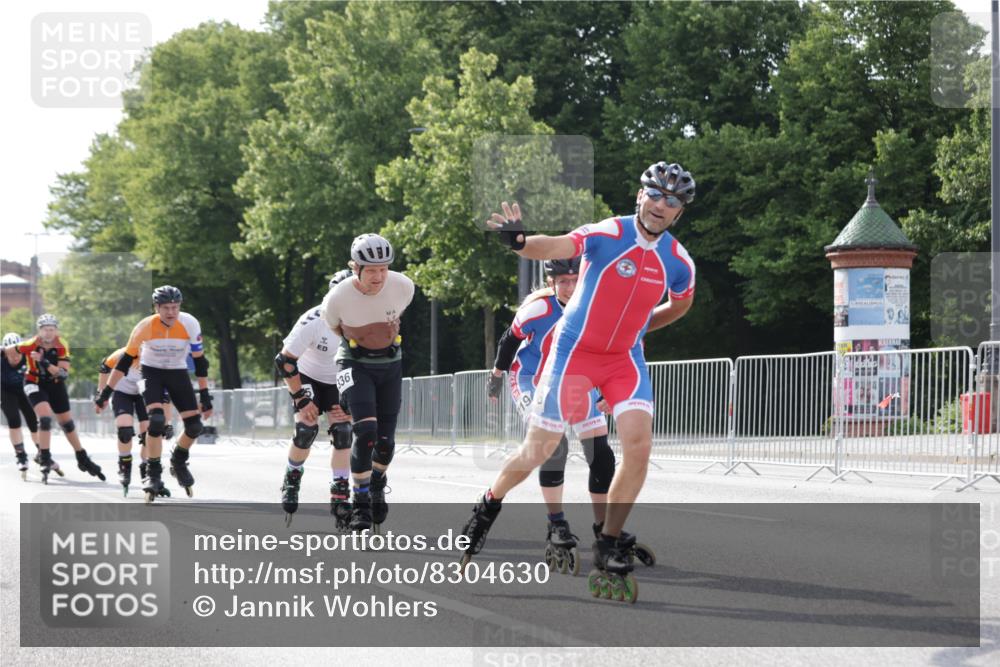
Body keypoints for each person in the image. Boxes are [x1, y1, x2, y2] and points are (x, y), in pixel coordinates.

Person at [462, 161, 696, 601]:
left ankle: (607, 542)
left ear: (679, 212)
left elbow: (682, 303)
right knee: (540, 449)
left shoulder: (678, 261)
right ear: (640, 196)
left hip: (624, 359)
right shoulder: (609, 233)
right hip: (575, 354)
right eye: (656, 195)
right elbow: (562, 243)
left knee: (638, 446)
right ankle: (488, 504)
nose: (661, 206)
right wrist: (521, 243)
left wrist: (643, 328)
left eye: (673, 201)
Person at [487, 257, 614, 574]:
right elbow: (509, 340)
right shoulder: (538, 310)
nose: (570, 288)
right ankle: (556, 524)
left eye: (575, 280)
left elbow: (610, 353)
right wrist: (497, 377)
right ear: (552, 283)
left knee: (601, 454)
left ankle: (604, 530)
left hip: (574, 380)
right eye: (563, 282)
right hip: (531, 378)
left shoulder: (595, 308)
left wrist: (607, 390)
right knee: (554, 448)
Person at [323, 234, 414, 532]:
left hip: (390, 363)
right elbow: (336, 327)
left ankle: (377, 482)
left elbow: (395, 315)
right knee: (365, 430)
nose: (379, 277)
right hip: (354, 362)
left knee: (386, 444)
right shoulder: (337, 298)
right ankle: (359, 499)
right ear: (355, 268)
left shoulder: (403, 286)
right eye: (371, 270)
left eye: (384, 269)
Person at [95, 286, 213, 502]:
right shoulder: (145, 326)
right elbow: (123, 363)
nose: (171, 312)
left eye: (175, 307)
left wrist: (205, 395)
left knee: (195, 426)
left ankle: (178, 459)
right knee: (156, 421)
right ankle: (153, 472)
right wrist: (105, 395)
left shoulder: (190, 324)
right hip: (151, 373)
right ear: (156, 308)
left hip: (177, 372)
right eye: (166, 308)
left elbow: (200, 362)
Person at [277, 268, 354, 528]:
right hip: (307, 376)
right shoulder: (313, 319)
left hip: (339, 379)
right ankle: (292, 475)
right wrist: (300, 398)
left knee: (343, 431)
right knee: (306, 429)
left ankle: (340, 491)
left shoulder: (365, 320)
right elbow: (285, 362)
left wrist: (354, 404)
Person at [5, 315, 104, 483]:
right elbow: (9, 349)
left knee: (67, 424)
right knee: (44, 419)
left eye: (52, 329)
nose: (48, 333)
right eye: (45, 329)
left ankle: (82, 456)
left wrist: (43, 361)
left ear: (56, 330)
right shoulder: (30, 344)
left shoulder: (61, 344)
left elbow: (63, 373)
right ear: (39, 331)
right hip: (34, 383)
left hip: (55, 384)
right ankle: (44, 457)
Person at [95, 347, 173, 496]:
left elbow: (165, 398)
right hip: (121, 392)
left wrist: (167, 423)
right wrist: (101, 394)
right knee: (124, 429)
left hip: (144, 394)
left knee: (150, 432)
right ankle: (124, 464)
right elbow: (104, 368)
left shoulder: (160, 362)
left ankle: (148, 468)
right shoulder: (123, 354)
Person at [1, 332, 45, 479]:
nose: (14, 356)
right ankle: (20, 455)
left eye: (17, 353)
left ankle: (42, 452)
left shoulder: (28, 356)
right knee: (14, 421)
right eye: (10, 353)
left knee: (33, 423)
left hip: (25, 390)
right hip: (5, 391)